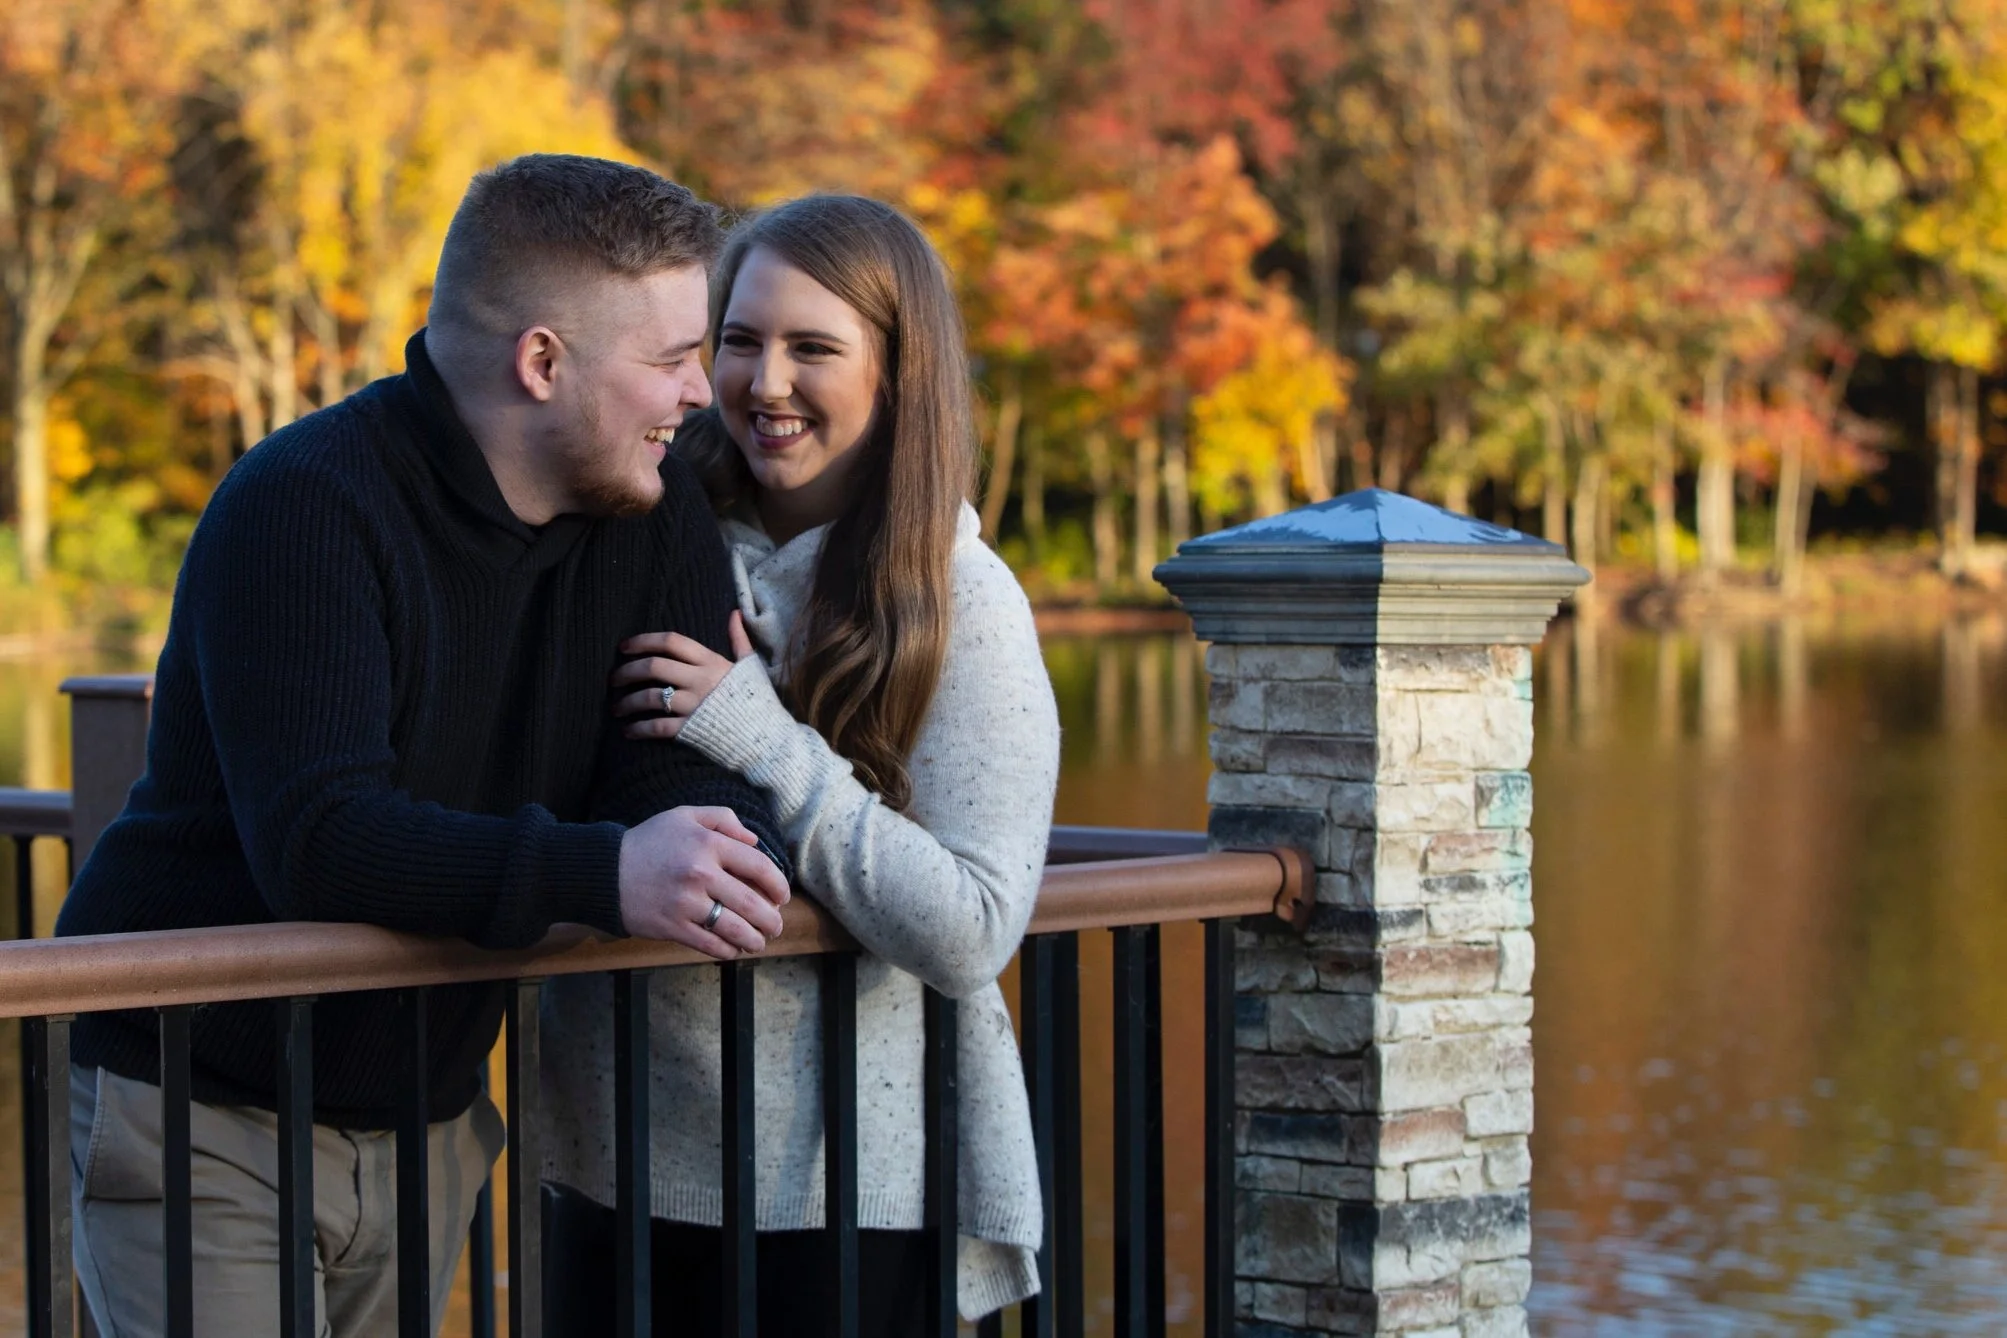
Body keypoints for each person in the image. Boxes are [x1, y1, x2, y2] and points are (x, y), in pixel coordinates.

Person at [53, 154, 794, 1338]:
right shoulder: (305, 501)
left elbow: (682, 776)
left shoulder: (651, 514)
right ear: (542, 363)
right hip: (198, 1099)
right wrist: (610, 873)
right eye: (670, 359)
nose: (701, 394)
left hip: (429, 1113)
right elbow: (324, 836)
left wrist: (694, 848)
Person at [540, 194, 1061, 1332]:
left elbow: (974, 926)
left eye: (813, 347)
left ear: (897, 372)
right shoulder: (637, 530)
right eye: (739, 339)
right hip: (615, 1158)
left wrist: (763, 736)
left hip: (849, 1193)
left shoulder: (965, 603)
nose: (765, 382)